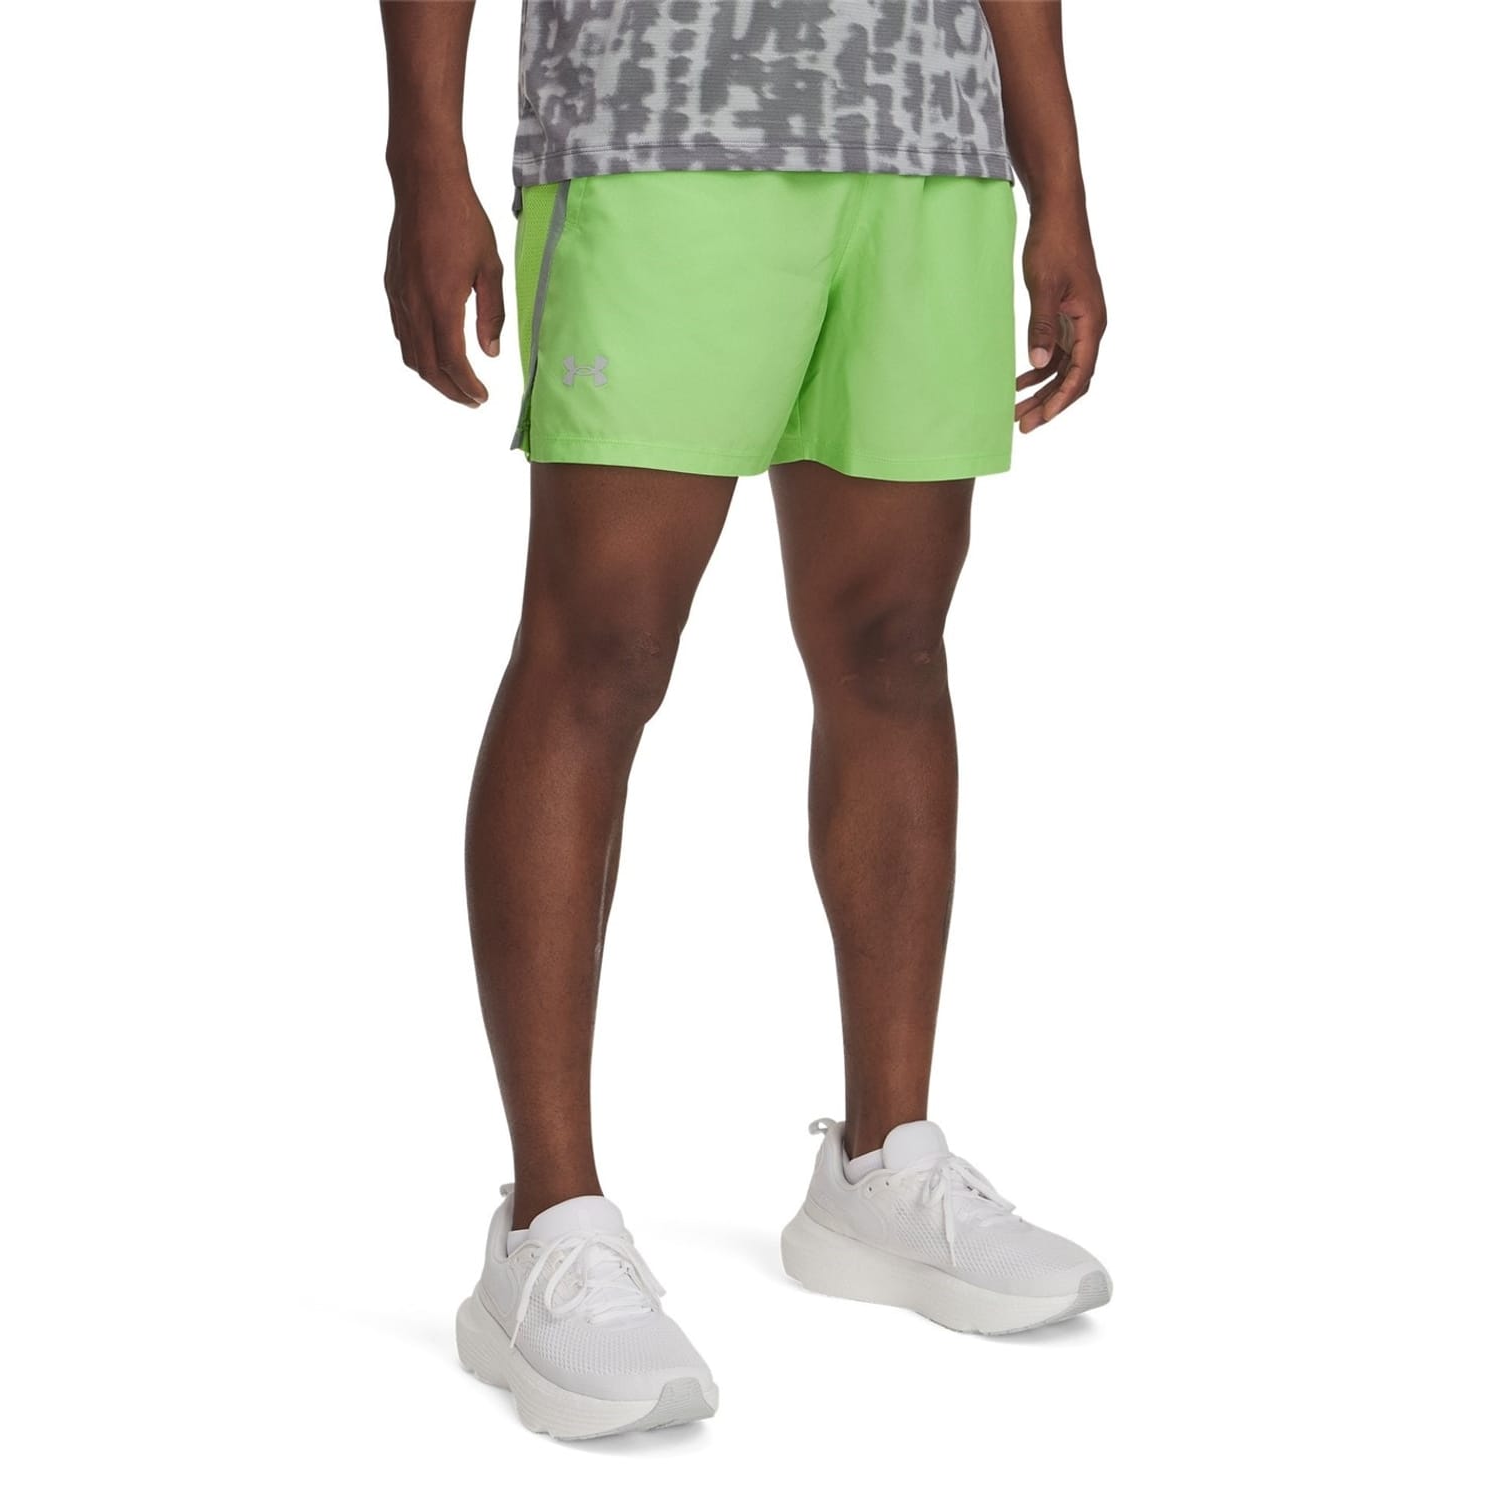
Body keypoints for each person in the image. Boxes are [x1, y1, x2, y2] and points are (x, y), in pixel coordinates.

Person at [381, 0, 1110, 1440]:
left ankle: (883, 1165)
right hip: (658, 123)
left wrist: (1060, 186)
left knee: (894, 646)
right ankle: (548, 1224)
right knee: (598, 654)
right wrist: (423, 158)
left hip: (924, 140)